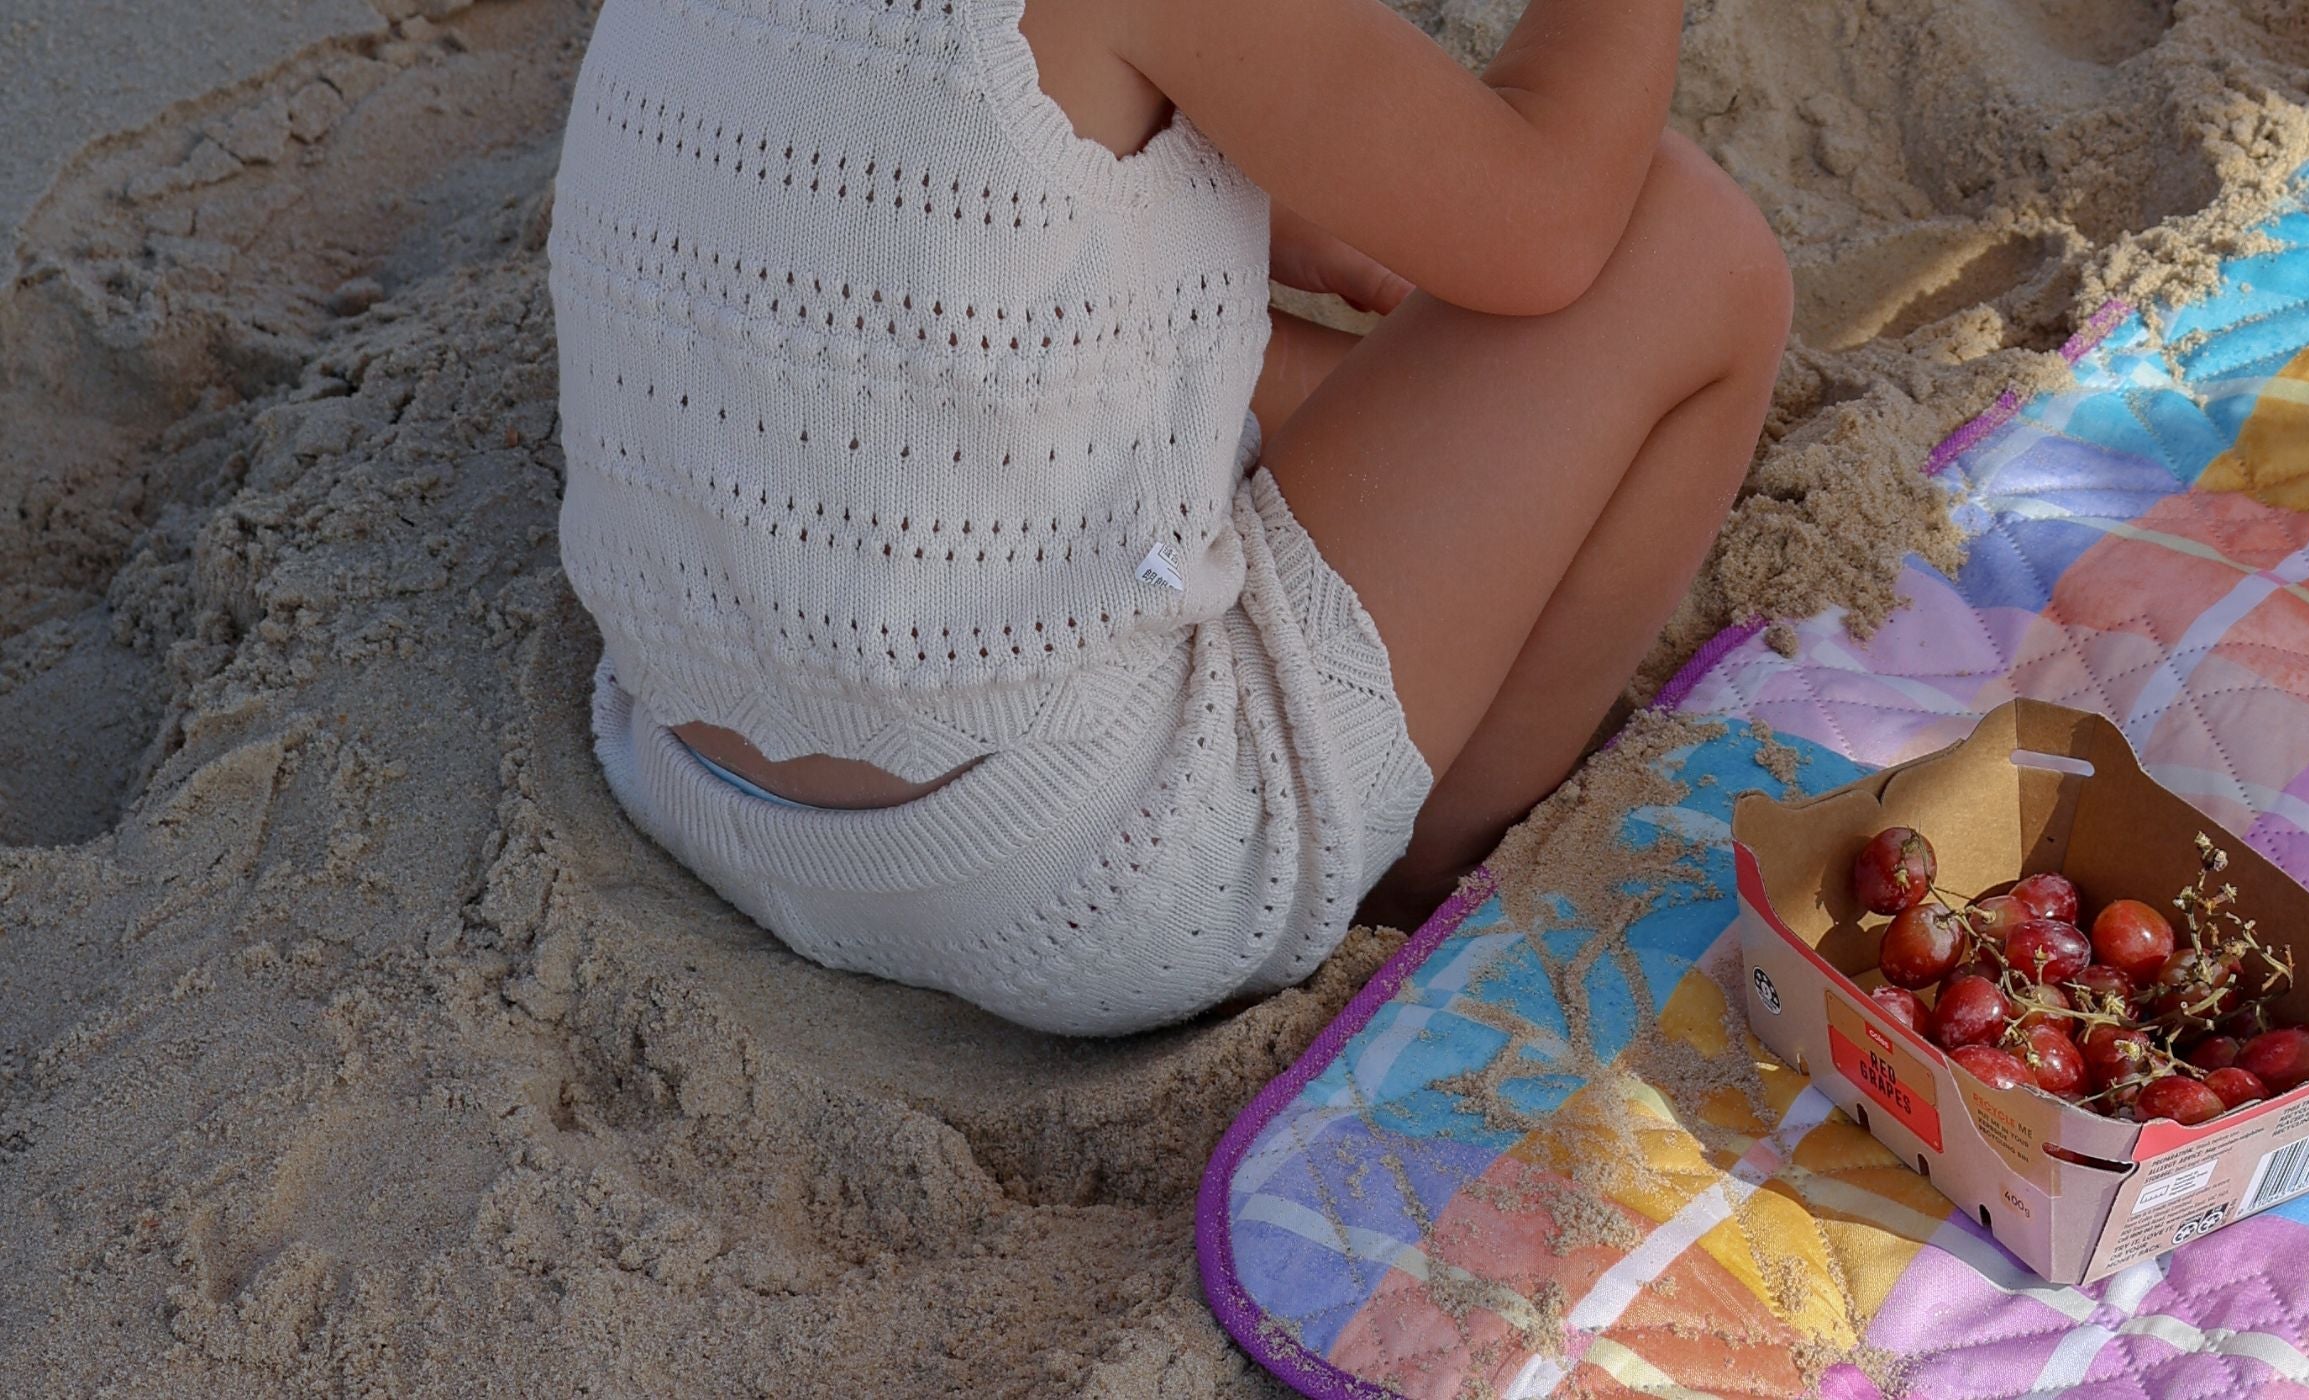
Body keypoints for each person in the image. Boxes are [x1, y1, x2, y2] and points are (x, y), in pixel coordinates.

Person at [547, 0, 1791, 1033]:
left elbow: (906, 160)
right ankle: (1440, 859)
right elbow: (1551, 222)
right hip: (1092, 866)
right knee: (1681, 243)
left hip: (696, 756)